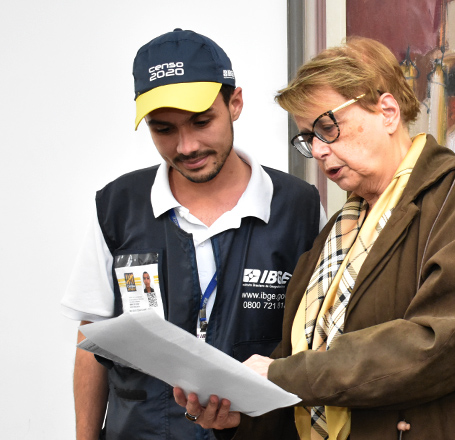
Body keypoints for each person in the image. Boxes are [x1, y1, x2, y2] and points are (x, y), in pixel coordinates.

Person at [174, 36, 455, 440]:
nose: (318, 150)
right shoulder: (337, 231)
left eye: (327, 127)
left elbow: (443, 340)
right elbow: (303, 363)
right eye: (308, 137)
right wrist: (244, 413)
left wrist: (285, 376)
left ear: (387, 112)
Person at [60, 29, 324, 440]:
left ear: (235, 103)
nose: (186, 146)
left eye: (202, 122)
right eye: (163, 129)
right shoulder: (117, 206)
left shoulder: (299, 208)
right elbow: (92, 338)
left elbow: (322, 343)